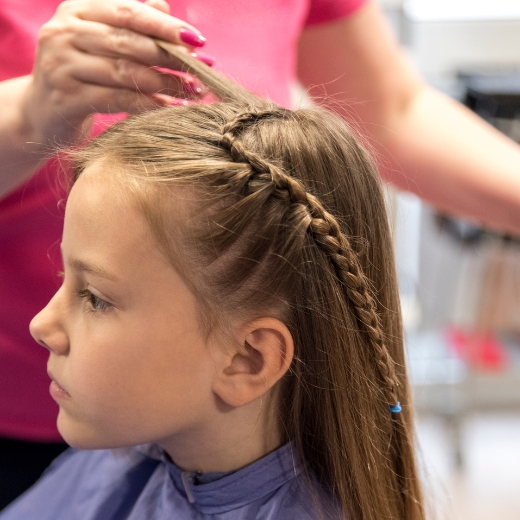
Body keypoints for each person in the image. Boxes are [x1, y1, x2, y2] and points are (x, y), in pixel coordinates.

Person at [2, 0, 520, 506]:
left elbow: (393, 111)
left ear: (250, 357)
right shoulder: (117, 465)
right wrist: (28, 113)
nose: (42, 324)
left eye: (94, 297)